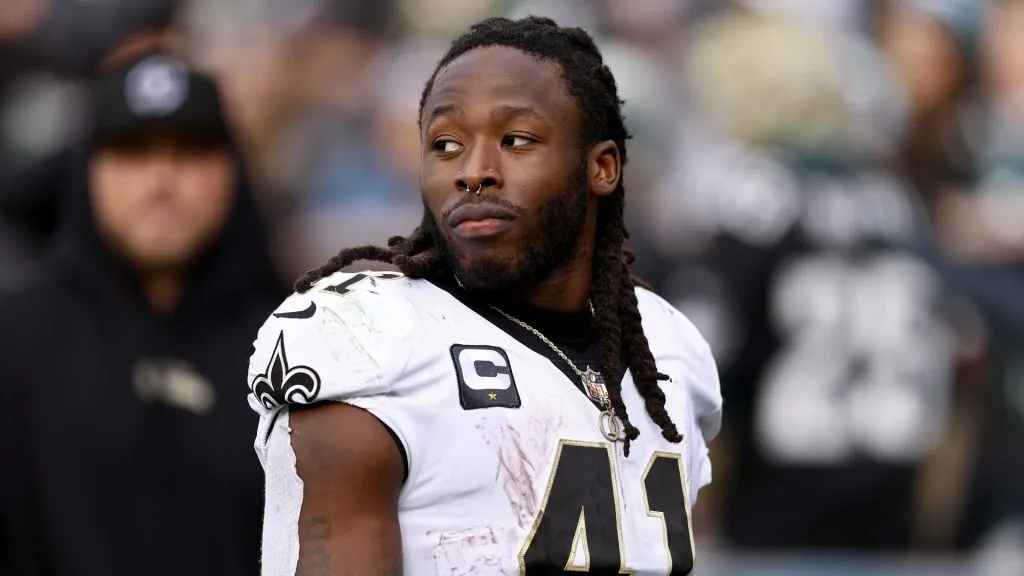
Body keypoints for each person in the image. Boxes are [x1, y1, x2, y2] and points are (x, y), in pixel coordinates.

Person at [248, 16, 723, 575]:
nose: (474, 172)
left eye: (516, 140)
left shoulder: (668, 346)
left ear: (602, 167)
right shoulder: (370, 339)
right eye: (445, 144)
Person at [0, 52, 284, 575]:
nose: (161, 180)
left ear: (234, 171)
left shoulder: (294, 349)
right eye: (131, 152)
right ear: (86, 171)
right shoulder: (15, 342)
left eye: (192, 151)